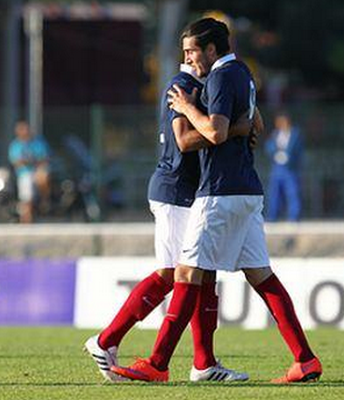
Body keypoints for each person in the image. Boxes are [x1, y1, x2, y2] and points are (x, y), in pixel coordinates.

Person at [112, 18, 321, 383]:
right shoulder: (245, 74)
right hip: (247, 190)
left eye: (193, 50)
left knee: (187, 272)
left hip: (221, 192)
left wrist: (188, 107)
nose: (189, 59)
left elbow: (214, 131)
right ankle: (304, 359)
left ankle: (158, 364)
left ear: (212, 49)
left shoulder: (222, 76)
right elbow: (256, 124)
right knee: (262, 276)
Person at [85, 63, 255, 382]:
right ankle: (106, 340)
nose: (195, 57)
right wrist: (234, 129)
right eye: (189, 50)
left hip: (187, 193)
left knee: (202, 274)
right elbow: (184, 141)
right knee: (174, 274)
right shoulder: (183, 85)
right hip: (175, 191)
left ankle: (205, 363)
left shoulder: (204, 86)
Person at [8, 121, 51, 223]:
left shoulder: (38, 143)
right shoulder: (15, 145)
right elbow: (17, 162)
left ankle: (45, 201)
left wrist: (32, 163)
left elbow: (45, 159)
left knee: (43, 175)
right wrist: (33, 161)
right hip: (24, 173)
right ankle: (26, 219)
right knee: (27, 193)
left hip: (37, 172)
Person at [264, 112, 303, 221]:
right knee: (274, 194)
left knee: (292, 193)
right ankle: (272, 217)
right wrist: (275, 154)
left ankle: (293, 218)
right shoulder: (275, 134)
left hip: (290, 169)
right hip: (277, 168)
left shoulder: (295, 134)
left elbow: (298, 150)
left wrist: (289, 157)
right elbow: (269, 146)